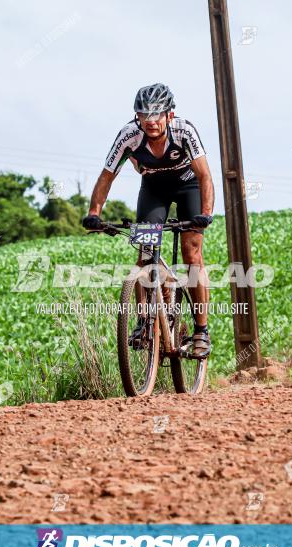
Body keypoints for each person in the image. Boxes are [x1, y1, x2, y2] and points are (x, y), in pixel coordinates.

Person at [82, 83, 215, 358]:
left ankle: (201, 330)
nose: (151, 121)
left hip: (188, 186)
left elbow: (204, 176)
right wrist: (94, 213)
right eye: (145, 114)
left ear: (170, 114)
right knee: (144, 255)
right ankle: (145, 322)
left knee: (192, 254)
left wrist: (205, 214)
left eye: (157, 114)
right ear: (137, 117)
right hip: (153, 189)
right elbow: (107, 176)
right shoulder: (128, 136)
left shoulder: (184, 131)